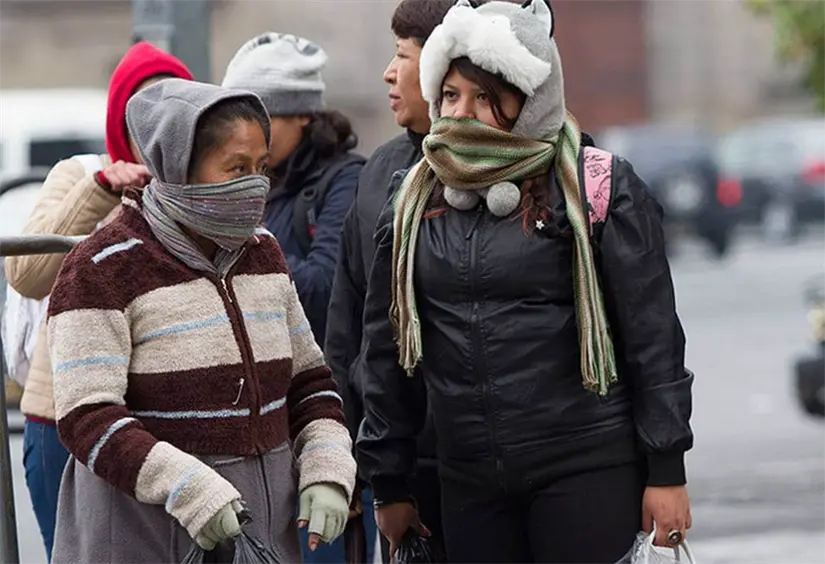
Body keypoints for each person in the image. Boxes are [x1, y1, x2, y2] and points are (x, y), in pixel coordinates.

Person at [356, 2, 694, 563]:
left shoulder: (596, 188)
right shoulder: (412, 199)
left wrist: (666, 469)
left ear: (530, 101)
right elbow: (386, 350)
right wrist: (389, 480)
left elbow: (653, 339)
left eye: (485, 97)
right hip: (469, 481)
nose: (463, 113)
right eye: (451, 95)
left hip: (585, 467)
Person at [46, 78, 356, 564]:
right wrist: (188, 489)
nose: (255, 184)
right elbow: (87, 416)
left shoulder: (264, 254)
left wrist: (327, 468)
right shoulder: (102, 267)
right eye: (236, 168)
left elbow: (309, 384)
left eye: (261, 167)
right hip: (143, 537)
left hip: (263, 537)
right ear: (178, 169)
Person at [3, 41, 193, 561]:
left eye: (173, 108)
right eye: (142, 109)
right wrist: (102, 190)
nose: (158, 123)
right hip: (64, 420)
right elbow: (25, 274)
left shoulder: (200, 189)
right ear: (119, 118)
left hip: (168, 424)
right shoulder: (80, 175)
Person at [221, 31, 366, 563]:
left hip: (321, 413)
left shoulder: (345, 181)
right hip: (256, 418)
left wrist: (244, 247)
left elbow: (326, 287)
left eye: (263, 119)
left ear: (303, 114)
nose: (248, 135)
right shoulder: (260, 181)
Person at [324, 0, 458, 560]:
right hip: (399, 462)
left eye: (403, 56)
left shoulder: (512, 174)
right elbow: (349, 325)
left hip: (485, 458)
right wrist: (351, 458)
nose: (388, 72)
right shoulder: (380, 173)